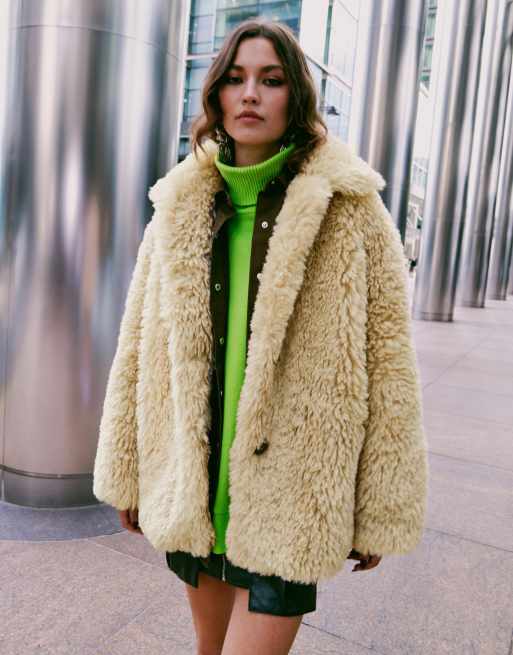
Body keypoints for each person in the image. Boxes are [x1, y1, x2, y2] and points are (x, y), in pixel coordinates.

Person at [93, 18, 429, 655]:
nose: (250, 94)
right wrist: (128, 471)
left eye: (270, 80)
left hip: (295, 488)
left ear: (294, 97)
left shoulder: (350, 208)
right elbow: (136, 348)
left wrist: (379, 504)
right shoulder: (179, 207)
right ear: (217, 94)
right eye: (236, 78)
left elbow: (389, 363)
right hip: (196, 480)